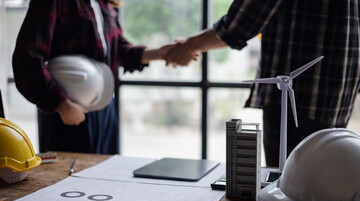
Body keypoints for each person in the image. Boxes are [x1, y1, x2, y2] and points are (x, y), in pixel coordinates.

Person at [165, 0, 360, 167]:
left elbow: (238, 25)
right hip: (340, 89)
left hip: (300, 95)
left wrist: (189, 46)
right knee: (322, 187)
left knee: (287, 189)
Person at [12, 0, 176, 154]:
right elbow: (27, 58)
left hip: (104, 109)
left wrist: (160, 53)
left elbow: (118, 50)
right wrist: (61, 104)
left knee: (108, 174)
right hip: (66, 112)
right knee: (68, 180)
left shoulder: (105, 3)